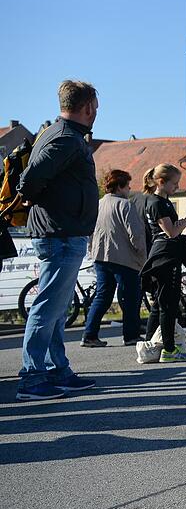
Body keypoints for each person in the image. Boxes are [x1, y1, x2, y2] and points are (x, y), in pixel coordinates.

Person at [15, 80, 100, 401]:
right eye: (96, 106)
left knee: (56, 307)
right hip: (61, 233)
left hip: (61, 231)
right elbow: (31, 180)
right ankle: (32, 377)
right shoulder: (65, 139)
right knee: (48, 307)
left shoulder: (55, 133)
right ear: (88, 107)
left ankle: (56, 370)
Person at [140, 164, 186, 363]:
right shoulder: (157, 203)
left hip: (161, 254)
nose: (177, 187)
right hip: (166, 255)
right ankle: (169, 349)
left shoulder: (159, 202)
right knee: (168, 304)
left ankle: (149, 346)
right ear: (161, 182)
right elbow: (172, 232)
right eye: (174, 184)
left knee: (160, 305)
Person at [81, 169, 147, 348]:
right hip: (123, 258)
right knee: (130, 298)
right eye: (127, 185)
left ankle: (90, 335)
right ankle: (131, 335)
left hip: (100, 256)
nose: (129, 188)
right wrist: (142, 254)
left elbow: (90, 231)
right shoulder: (125, 205)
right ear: (120, 186)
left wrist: (92, 251)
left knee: (102, 296)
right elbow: (136, 235)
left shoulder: (98, 204)